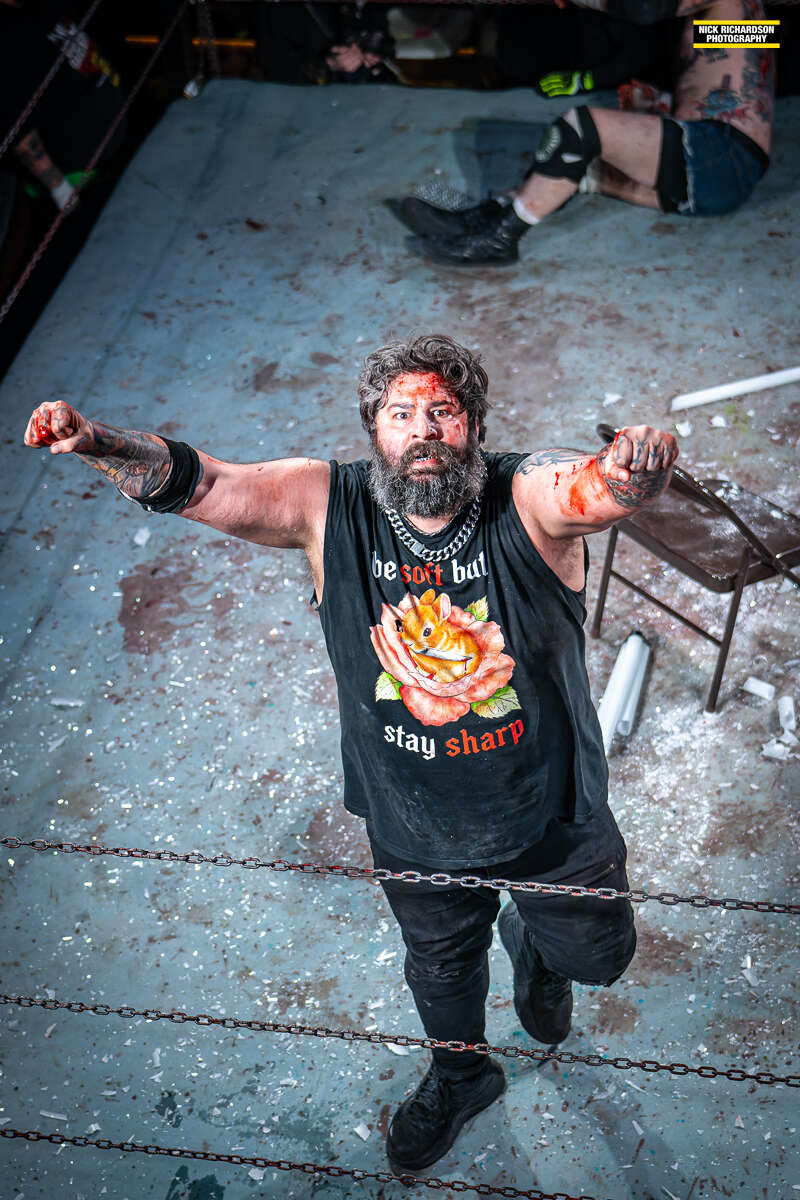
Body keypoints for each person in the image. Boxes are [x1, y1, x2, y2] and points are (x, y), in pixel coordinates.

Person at [24, 334, 678, 1175]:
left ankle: (540, 948)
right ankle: (462, 1075)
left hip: (549, 810)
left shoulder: (525, 498)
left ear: (475, 425)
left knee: (601, 959)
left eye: (443, 411)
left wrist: (635, 467)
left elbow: (589, 490)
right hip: (412, 820)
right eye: (401, 414)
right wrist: (99, 444)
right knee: (440, 972)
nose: (423, 430)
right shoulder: (326, 503)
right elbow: (210, 483)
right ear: (374, 430)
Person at [390, 0, 775, 264]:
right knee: (569, 163)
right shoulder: (740, 21)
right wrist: (660, 103)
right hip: (715, 178)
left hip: (722, 155)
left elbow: (643, 8)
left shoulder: (733, 7)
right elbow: (718, 79)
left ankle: (501, 239)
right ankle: (488, 217)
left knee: (581, 127)